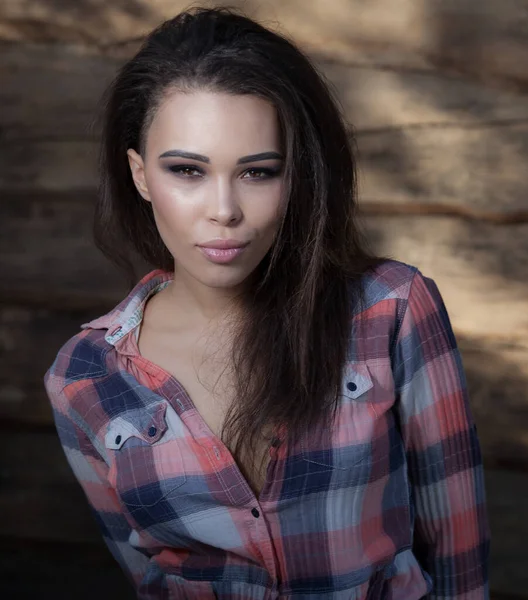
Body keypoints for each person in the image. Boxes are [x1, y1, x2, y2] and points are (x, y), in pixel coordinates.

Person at [44, 7, 490, 599]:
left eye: (257, 173)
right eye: (186, 170)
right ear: (140, 174)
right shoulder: (83, 377)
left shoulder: (391, 310)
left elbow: (459, 552)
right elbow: (146, 577)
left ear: (297, 176)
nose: (224, 210)